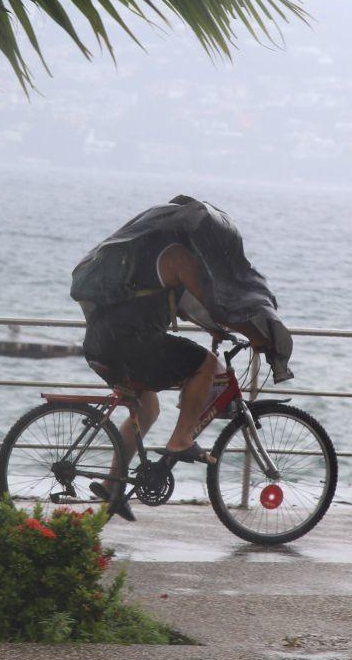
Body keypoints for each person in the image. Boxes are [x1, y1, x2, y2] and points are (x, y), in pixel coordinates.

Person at [73, 197, 290, 521]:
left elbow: (188, 307)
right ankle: (181, 439)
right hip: (132, 343)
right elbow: (214, 303)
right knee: (207, 366)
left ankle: (112, 485)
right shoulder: (178, 257)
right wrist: (258, 337)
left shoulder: (150, 254)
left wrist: (214, 330)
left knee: (147, 409)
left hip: (103, 342)